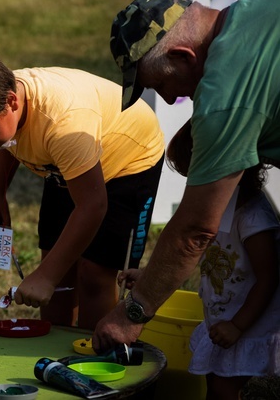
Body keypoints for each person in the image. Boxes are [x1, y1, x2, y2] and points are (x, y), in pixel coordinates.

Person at [93, 0, 280, 352]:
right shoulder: (262, 0)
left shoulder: (224, 95)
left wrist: (132, 313)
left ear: (183, 57)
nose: (168, 98)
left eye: (161, 84)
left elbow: (195, 229)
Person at [0, 46, 165, 330]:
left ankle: (93, 354)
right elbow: (8, 139)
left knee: (94, 274)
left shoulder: (63, 122)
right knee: (57, 266)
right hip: (66, 165)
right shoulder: (2, 95)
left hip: (128, 160)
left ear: (11, 102)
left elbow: (93, 206)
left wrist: (45, 277)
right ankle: (54, 353)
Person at [120, 119, 280, 400]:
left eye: (197, 175)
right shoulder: (216, 206)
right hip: (222, 315)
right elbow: (191, 252)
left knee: (223, 387)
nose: (194, 185)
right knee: (215, 382)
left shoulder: (253, 217)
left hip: (247, 321)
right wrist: (148, 275)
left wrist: (238, 325)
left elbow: (270, 278)